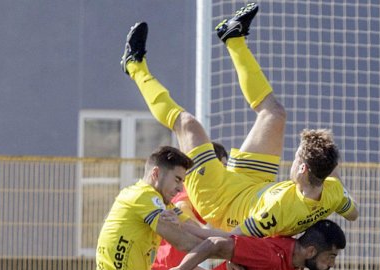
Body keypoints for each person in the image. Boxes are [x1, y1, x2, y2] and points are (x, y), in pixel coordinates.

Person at [121, 2, 358, 240]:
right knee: (274, 114)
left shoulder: (276, 209)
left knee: (187, 123)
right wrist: (331, 180)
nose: (292, 162)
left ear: (304, 169)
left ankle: (134, 65)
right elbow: (354, 213)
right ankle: (233, 36)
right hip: (255, 186)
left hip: (221, 202)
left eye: (296, 158)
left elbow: (231, 238)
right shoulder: (333, 193)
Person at [95, 146, 203, 270]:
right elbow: (183, 242)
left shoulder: (164, 203)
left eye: (183, 182)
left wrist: (231, 241)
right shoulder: (143, 195)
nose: (180, 188)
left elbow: (198, 232)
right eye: (177, 180)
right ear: (156, 174)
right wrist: (229, 251)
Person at [152, 142, 228, 270]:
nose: (224, 173)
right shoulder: (189, 192)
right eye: (221, 167)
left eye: (225, 168)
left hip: (180, 265)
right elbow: (183, 207)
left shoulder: (210, 197)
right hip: (167, 266)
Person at [165, 219, 346, 270]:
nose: (333, 264)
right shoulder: (270, 256)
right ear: (311, 251)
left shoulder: (295, 261)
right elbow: (216, 243)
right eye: (331, 256)